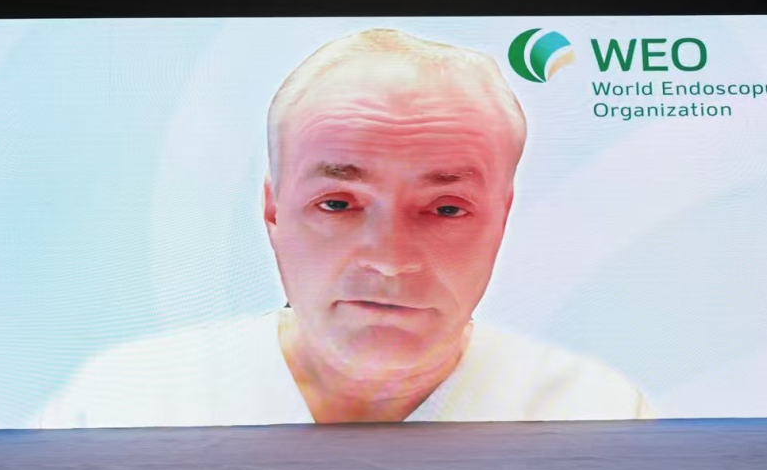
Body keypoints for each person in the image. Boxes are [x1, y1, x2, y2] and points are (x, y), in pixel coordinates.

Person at [42, 29, 650, 427]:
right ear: (273, 210)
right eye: (337, 204)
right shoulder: (121, 404)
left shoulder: (597, 413)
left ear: (501, 216)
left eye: (445, 209)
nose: (389, 259)